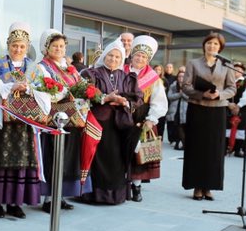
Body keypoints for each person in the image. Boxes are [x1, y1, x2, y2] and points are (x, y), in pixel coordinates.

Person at [0, 21, 44, 218]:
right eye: (14, 45)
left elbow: (42, 90)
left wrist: (28, 88)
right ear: (8, 45)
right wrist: (10, 87)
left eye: (21, 46)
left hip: (24, 122)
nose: (18, 49)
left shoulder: (34, 68)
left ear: (27, 47)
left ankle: (15, 203)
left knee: (21, 162)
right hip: (2, 121)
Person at [80, 40, 142, 204]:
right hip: (98, 124)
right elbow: (84, 94)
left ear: (122, 59)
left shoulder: (127, 77)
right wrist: (106, 98)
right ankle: (93, 195)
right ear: (104, 56)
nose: (113, 59)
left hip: (119, 125)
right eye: (110, 55)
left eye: (117, 57)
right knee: (96, 159)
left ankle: (114, 196)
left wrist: (125, 102)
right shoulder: (92, 74)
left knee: (116, 160)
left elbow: (138, 98)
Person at [181, 32, 238, 201]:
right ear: (204, 45)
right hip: (197, 108)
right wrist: (201, 94)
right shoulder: (193, 63)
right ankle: (197, 187)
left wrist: (219, 94)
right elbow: (185, 86)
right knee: (196, 148)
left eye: (215, 44)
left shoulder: (227, 65)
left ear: (220, 47)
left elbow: (232, 88)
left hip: (217, 110)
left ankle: (209, 187)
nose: (212, 46)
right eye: (209, 43)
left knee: (214, 150)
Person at [34, 29, 84, 211]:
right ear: (46, 48)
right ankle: (49, 199)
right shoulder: (42, 68)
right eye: (55, 45)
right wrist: (67, 92)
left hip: (71, 119)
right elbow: (43, 91)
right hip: (53, 119)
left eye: (62, 46)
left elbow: (81, 86)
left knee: (67, 159)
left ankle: (60, 196)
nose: (59, 49)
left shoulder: (70, 68)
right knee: (52, 157)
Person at [125, 36, 168, 202]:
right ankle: (121, 186)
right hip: (121, 117)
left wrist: (151, 119)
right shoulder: (122, 70)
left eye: (144, 56)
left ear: (148, 59)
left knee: (138, 157)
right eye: (138, 55)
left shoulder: (153, 78)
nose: (140, 58)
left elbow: (159, 101)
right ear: (132, 55)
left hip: (142, 119)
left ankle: (136, 187)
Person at [166, 68, 188, 150]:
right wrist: (179, 94)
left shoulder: (188, 86)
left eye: (183, 76)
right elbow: (170, 96)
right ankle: (178, 142)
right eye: (179, 76)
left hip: (184, 110)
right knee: (176, 126)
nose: (181, 78)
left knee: (183, 127)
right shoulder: (173, 86)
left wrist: (183, 94)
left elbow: (190, 98)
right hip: (174, 110)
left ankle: (183, 143)